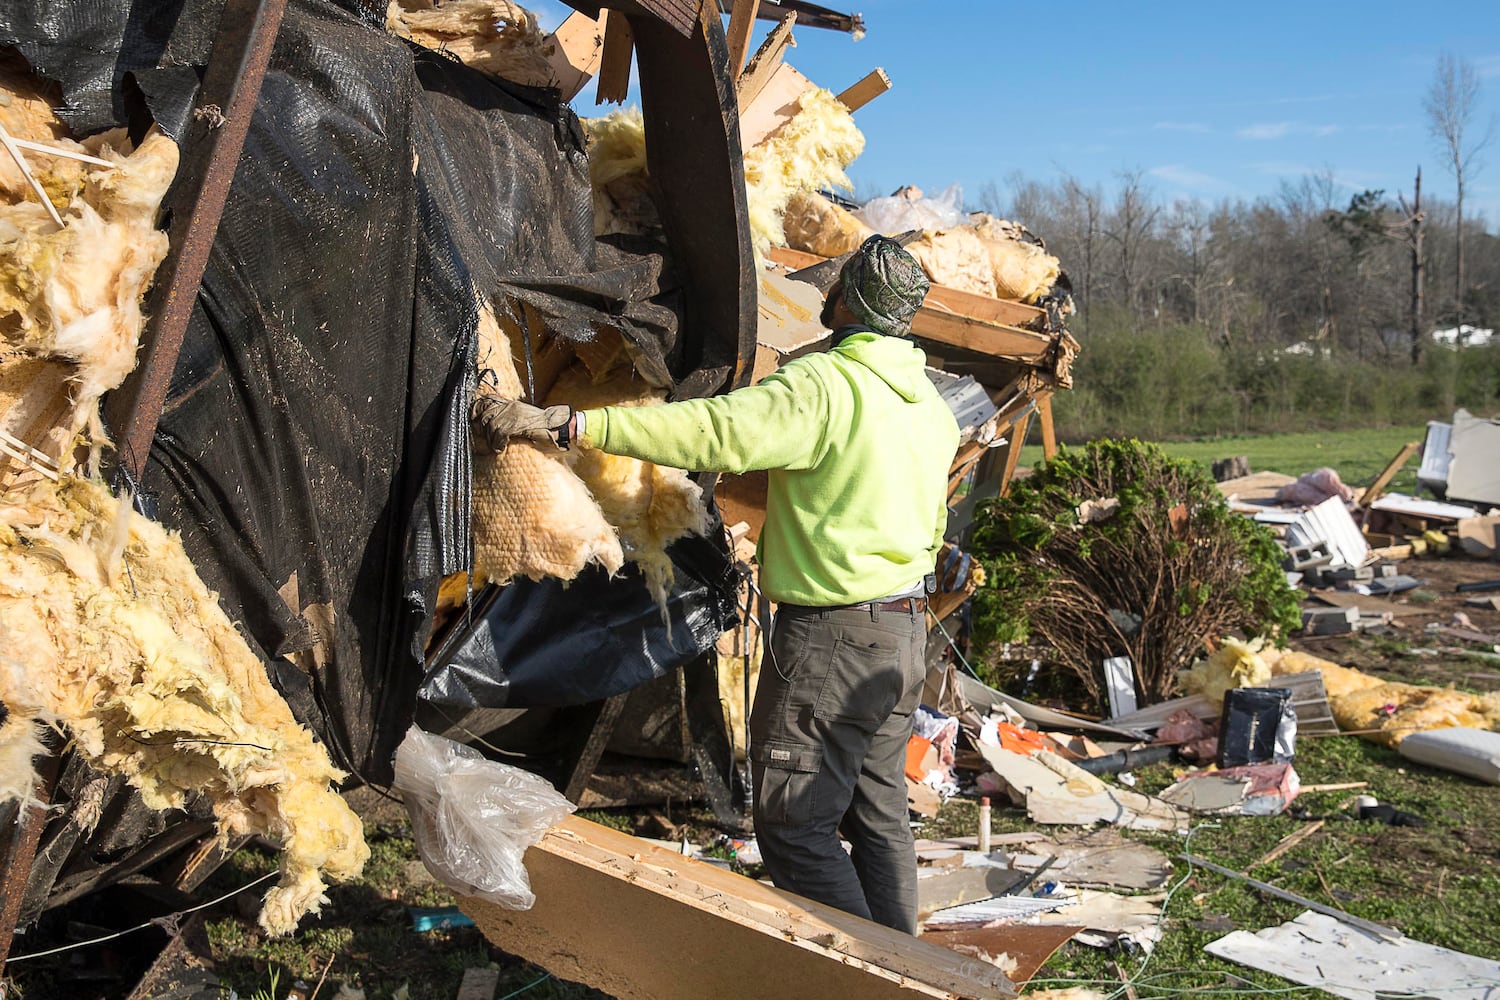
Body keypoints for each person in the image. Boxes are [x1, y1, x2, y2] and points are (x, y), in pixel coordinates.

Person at [472, 235, 958, 934]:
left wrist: (573, 422)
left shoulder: (827, 385)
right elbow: (931, 525)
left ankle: (870, 981)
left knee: (794, 826)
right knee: (879, 814)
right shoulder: (930, 405)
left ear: (848, 299)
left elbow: (714, 431)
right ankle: (913, 970)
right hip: (904, 632)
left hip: (833, 640)